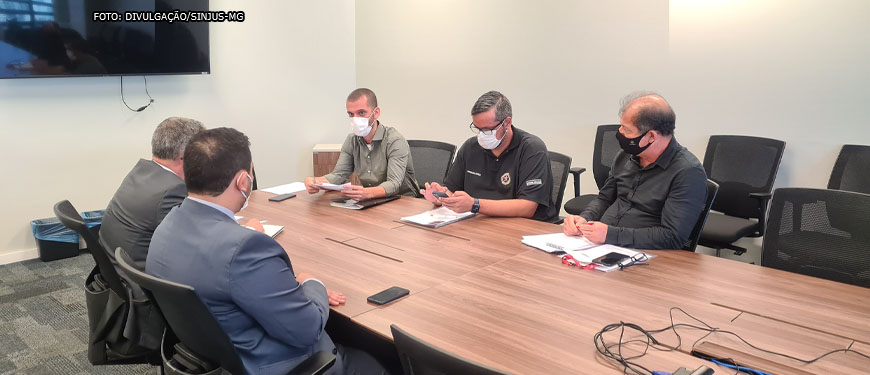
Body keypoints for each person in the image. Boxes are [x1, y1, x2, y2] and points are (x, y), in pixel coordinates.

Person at [147, 128, 387, 375]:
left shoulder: (168, 225)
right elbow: (307, 330)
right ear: (243, 181)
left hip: (217, 357)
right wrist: (312, 283)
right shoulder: (244, 249)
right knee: (382, 360)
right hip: (281, 364)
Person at [563, 92, 707, 250]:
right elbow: (604, 198)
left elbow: (672, 237)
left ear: (651, 136)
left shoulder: (688, 172)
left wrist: (609, 235)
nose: (620, 133)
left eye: (627, 129)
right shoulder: (626, 155)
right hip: (598, 247)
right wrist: (584, 219)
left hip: (646, 254)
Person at [420, 90, 557, 222]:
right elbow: (451, 190)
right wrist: (441, 197)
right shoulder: (470, 147)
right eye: (478, 129)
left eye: (488, 130)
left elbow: (527, 207)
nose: (482, 135)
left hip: (523, 228)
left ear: (507, 123)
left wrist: (475, 205)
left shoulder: (532, 149)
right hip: (480, 223)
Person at [100, 117, 205, 270]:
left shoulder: (141, 171)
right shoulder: (172, 190)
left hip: (117, 270)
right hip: (144, 282)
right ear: (188, 156)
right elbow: (199, 245)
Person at [304, 88, 419, 200]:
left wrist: (366, 193)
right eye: (351, 114)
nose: (356, 119)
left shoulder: (394, 140)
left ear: (376, 113)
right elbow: (339, 175)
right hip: (372, 200)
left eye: (361, 113)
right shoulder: (351, 140)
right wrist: (316, 181)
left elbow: (394, 184)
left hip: (403, 200)